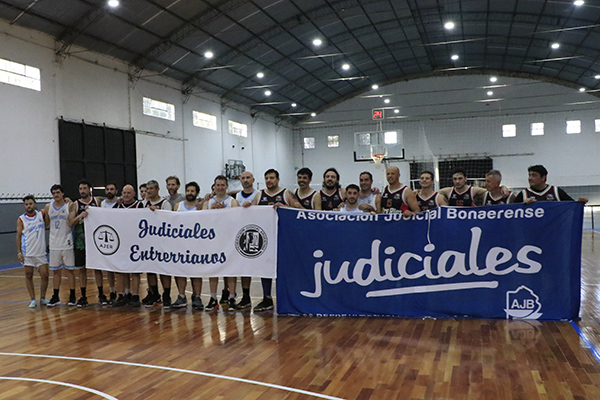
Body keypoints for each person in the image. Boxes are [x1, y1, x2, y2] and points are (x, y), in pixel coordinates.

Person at [249, 169, 301, 312]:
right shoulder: (259, 195)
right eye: (267, 178)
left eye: (272, 178)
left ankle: (289, 298)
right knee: (265, 268)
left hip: (284, 238)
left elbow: (300, 209)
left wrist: (286, 208)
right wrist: (247, 207)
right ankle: (267, 298)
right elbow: (251, 213)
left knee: (285, 269)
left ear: (278, 179)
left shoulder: (286, 194)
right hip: (266, 238)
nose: (269, 180)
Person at [203, 176, 240, 311]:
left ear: (227, 186)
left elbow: (238, 219)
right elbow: (202, 220)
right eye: (217, 185)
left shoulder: (232, 202)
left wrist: (225, 211)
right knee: (213, 269)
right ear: (214, 186)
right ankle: (213, 298)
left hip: (229, 240)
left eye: (222, 185)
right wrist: (212, 211)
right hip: (213, 241)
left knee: (231, 270)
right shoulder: (208, 202)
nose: (220, 187)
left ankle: (232, 297)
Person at [68, 179, 101, 307]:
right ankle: (83, 296)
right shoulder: (75, 204)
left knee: (97, 268)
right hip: (80, 242)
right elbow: (70, 223)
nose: (82, 191)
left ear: (89, 189)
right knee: (81, 270)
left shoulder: (97, 201)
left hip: (95, 241)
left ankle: (101, 295)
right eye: (80, 189)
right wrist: (80, 216)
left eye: (84, 188)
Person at [172, 181, 204, 310]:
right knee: (180, 271)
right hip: (180, 243)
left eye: (192, 191)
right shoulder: (178, 206)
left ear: (197, 193)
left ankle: (197, 296)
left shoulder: (201, 206)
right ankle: (181, 296)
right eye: (188, 191)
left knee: (196, 272)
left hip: (196, 244)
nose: (189, 193)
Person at [141, 179, 173, 308]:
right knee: (150, 270)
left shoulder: (165, 204)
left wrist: (157, 213)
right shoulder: (144, 204)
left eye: (151, 188)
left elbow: (169, 220)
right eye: (147, 189)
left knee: (164, 270)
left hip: (163, 242)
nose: (148, 191)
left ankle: (167, 294)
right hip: (148, 241)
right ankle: (154, 294)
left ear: (157, 189)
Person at [112, 184, 145, 307]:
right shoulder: (117, 206)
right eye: (124, 193)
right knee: (121, 270)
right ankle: (123, 294)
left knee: (135, 270)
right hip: (120, 242)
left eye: (128, 193)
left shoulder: (139, 205)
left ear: (134, 194)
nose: (126, 195)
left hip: (135, 242)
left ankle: (135, 296)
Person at [44, 184, 76, 307]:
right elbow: (46, 224)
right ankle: (55, 296)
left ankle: (72, 296)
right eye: (53, 193)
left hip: (66, 242)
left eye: (58, 192)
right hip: (54, 244)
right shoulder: (48, 207)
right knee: (56, 272)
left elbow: (71, 223)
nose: (56, 195)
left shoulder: (69, 205)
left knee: (70, 271)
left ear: (62, 193)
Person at [16, 195, 49, 308]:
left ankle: (43, 298)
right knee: (28, 275)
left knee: (45, 275)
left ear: (34, 204)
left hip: (41, 252)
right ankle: (33, 299)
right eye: (26, 204)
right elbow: (18, 236)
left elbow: (49, 207)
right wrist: (19, 252)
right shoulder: (21, 219)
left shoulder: (41, 214)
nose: (28, 206)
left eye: (30, 204)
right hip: (28, 253)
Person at [234, 171, 259, 310]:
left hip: (256, 233)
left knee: (262, 267)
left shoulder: (258, 194)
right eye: (243, 178)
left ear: (253, 179)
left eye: (248, 177)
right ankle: (245, 296)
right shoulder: (237, 196)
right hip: (242, 234)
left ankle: (266, 296)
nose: (245, 180)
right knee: (244, 268)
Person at [514, 165, 588, 203]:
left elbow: (571, 206)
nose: (530, 178)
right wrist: (522, 205)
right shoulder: (523, 194)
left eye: (534, 175)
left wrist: (580, 202)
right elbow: (513, 211)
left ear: (543, 177)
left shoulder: (556, 191)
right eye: (529, 175)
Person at [100, 183, 118, 303]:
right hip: (108, 236)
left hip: (120, 236)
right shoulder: (102, 204)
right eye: (107, 189)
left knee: (122, 269)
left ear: (116, 190)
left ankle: (126, 291)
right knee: (109, 268)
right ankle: (112, 291)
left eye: (112, 189)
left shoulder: (120, 202)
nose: (109, 191)